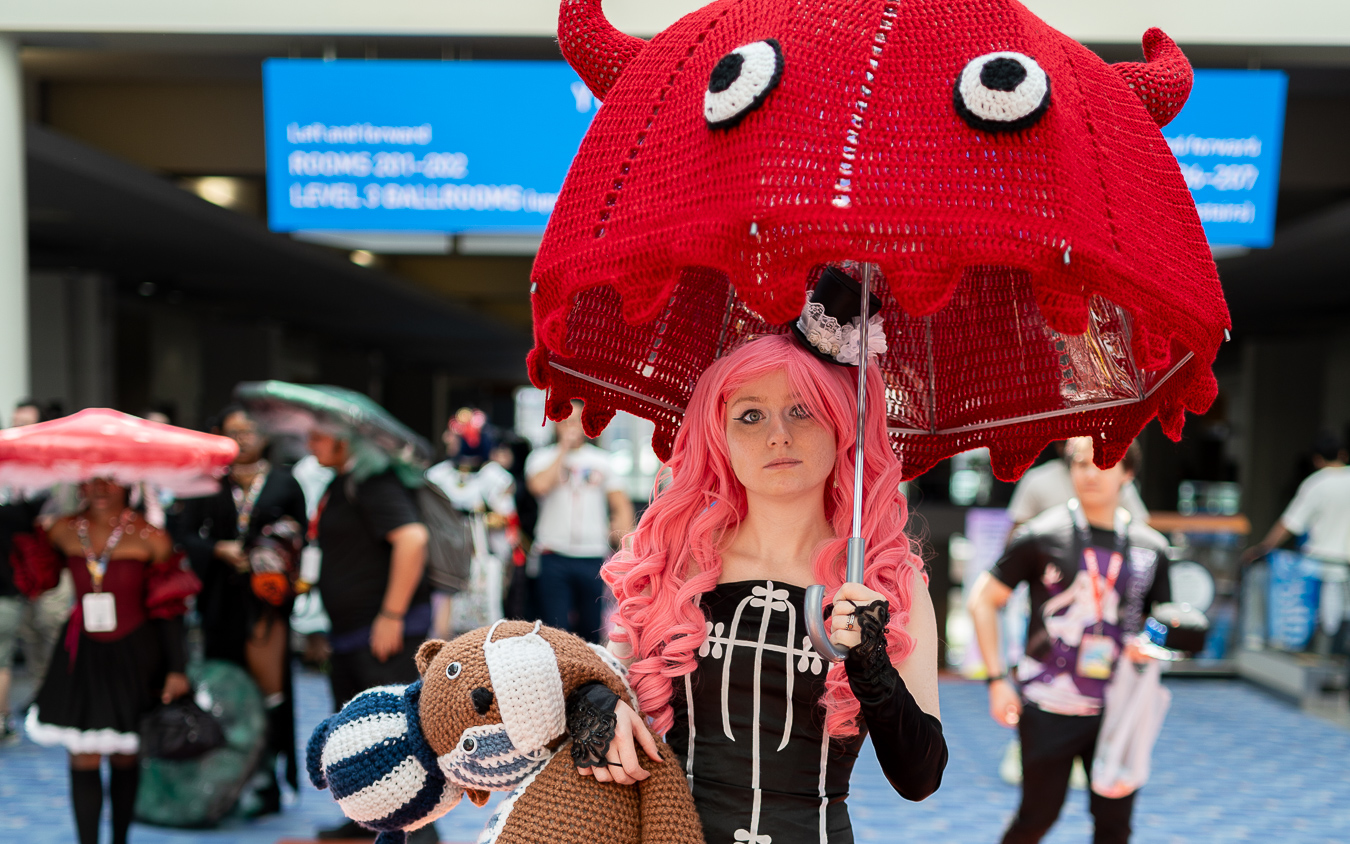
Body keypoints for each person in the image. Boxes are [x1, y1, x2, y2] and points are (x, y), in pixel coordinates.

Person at [590, 332, 947, 843]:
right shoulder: (676, 562)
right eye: (751, 416)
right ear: (722, 436)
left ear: (843, 424)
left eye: (802, 411)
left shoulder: (887, 580)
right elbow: (605, 683)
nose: (778, 435)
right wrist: (594, 707)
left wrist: (872, 663)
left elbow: (920, 779)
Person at [968, 437, 1171, 844]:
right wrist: (996, 680)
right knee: (1036, 817)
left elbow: (1161, 620)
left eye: (1104, 462)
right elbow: (982, 601)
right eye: (1079, 463)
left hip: (1120, 708)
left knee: (1114, 825)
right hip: (1049, 704)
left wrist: (1150, 643)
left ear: (1128, 473)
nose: (1089, 472)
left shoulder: (1151, 548)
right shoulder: (1043, 534)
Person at [13, 478, 193, 844]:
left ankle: (120, 839)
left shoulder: (151, 536)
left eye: (110, 480)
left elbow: (170, 609)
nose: (100, 488)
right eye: (91, 480)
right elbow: (37, 579)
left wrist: (177, 668)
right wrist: (26, 515)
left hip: (136, 655)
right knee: (83, 756)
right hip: (82, 652)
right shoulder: (61, 530)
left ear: (127, 484)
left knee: (125, 756)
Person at [174, 405, 309, 813]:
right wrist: (216, 549)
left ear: (266, 437)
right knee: (223, 689)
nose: (245, 438)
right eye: (235, 431)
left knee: (270, 692)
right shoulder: (208, 483)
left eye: (252, 431)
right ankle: (228, 779)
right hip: (219, 601)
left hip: (267, 605)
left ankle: (267, 779)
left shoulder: (286, 483)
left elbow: (302, 540)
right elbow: (180, 536)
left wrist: (270, 554)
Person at [305, 426, 435, 843]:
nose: (312, 443)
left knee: (397, 739)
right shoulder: (341, 483)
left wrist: (391, 614)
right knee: (359, 737)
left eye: (319, 435)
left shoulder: (375, 482)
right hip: (350, 635)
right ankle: (367, 818)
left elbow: (412, 540)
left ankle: (421, 833)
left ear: (346, 439)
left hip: (381, 633)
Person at [524, 400, 634, 642]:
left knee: (591, 629)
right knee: (555, 630)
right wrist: (563, 449)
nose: (570, 427)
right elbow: (539, 486)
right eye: (565, 421)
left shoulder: (602, 461)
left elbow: (620, 505)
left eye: (575, 421)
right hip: (553, 554)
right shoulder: (540, 458)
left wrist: (623, 544)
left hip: (592, 555)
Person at [1244, 431, 1350, 650]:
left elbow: (1290, 523)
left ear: (1317, 459)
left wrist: (1264, 548)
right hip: (1345, 565)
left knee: (1321, 624)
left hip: (1320, 565)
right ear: (1343, 454)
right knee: (1342, 622)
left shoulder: (1317, 484)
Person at [1008, 442, 1149, 527]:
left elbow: (1141, 525)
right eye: (1082, 465)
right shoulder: (1039, 534)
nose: (1091, 476)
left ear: (1127, 474)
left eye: (1104, 465)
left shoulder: (1146, 543)